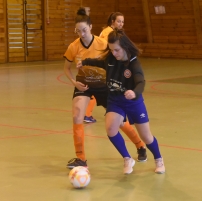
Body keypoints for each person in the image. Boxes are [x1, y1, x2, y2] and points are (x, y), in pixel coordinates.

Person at [63, 8, 147, 169]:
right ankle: (81, 158)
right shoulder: (73, 47)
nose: (81, 33)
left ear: (91, 27)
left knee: (120, 122)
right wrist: (74, 82)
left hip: (104, 85)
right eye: (78, 30)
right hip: (84, 86)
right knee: (77, 116)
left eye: (84, 30)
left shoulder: (103, 43)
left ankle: (140, 145)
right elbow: (66, 68)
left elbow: (118, 58)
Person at [78, 29, 165, 174]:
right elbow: (99, 62)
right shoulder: (111, 59)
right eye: (111, 50)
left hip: (133, 101)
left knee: (146, 136)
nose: (114, 53)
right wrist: (84, 62)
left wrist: (134, 92)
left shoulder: (133, 63)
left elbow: (141, 82)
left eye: (117, 50)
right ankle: (127, 158)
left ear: (124, 46)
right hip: (115, 100)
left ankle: (159, 159)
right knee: (111, 129)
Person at [84, 12, 124, 123]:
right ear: (113, 21)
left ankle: (106, 111)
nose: (121, 24)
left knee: (99, 88)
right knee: (101, 88)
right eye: (119, 21)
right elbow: (109, 49)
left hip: (102, 62)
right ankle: (90, 113)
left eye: (122, 22)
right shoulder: (109, 33)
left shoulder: (108, 31)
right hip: (103, 63)